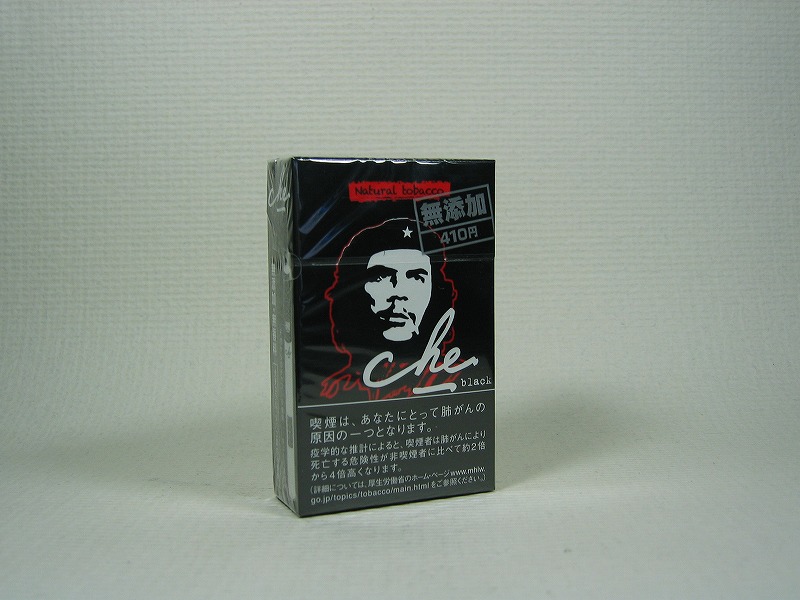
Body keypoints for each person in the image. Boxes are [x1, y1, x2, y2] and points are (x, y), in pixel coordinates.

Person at [321, 218, 457, 400]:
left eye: (416, 278)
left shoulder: (456, 379)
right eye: (381, 277)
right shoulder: (332, 392)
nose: (400, 293)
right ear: (352, 291)